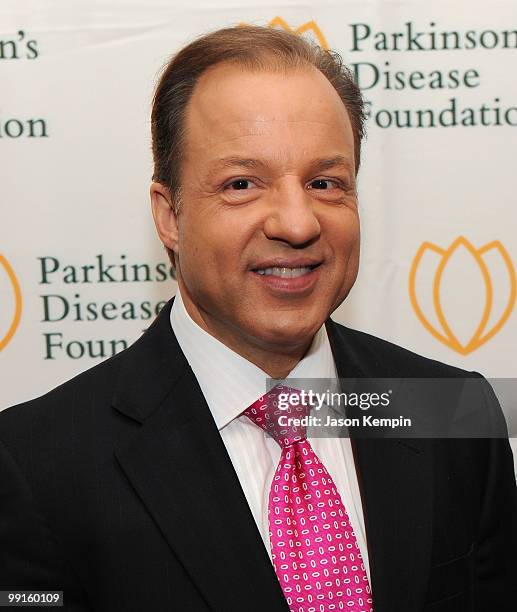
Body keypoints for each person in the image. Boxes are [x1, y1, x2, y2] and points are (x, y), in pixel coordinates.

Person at [0, 25, 515, 612]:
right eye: (242, 184)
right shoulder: (33, 467)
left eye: (325, 183)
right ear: (170, 216)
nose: (297, 223)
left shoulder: (453, 412)